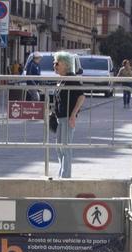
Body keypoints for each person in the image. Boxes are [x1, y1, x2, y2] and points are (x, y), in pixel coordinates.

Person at [53, 51, 85, 179]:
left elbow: (81, 97)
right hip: (60, 118)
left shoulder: (72, 79)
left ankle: (65, 175)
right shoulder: (62, 80)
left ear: (65, 65)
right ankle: (62, 172)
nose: (54, 66)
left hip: (67, 118)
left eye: (57, 63)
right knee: (59, 147)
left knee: (65, 147)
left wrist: (73, 115)